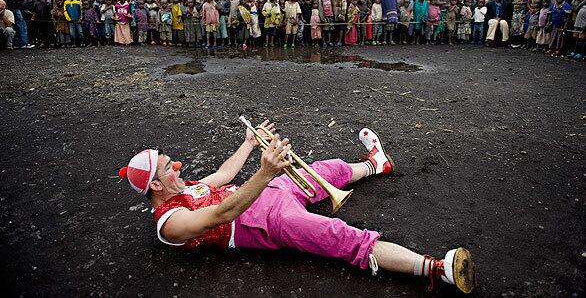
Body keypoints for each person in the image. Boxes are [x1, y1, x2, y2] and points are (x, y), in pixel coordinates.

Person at [119, 121, 476, 294]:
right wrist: (265, 170)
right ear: (154, 186)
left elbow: (226, 174)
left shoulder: (186, 187)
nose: (177, 167)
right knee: (339, 236)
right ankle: (434, 268)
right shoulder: (170, 224)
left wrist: (248, 142)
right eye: (169, 168)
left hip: (265, 191)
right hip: (263, 224)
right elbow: (223, 214)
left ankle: (376, 164)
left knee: (324, 168)